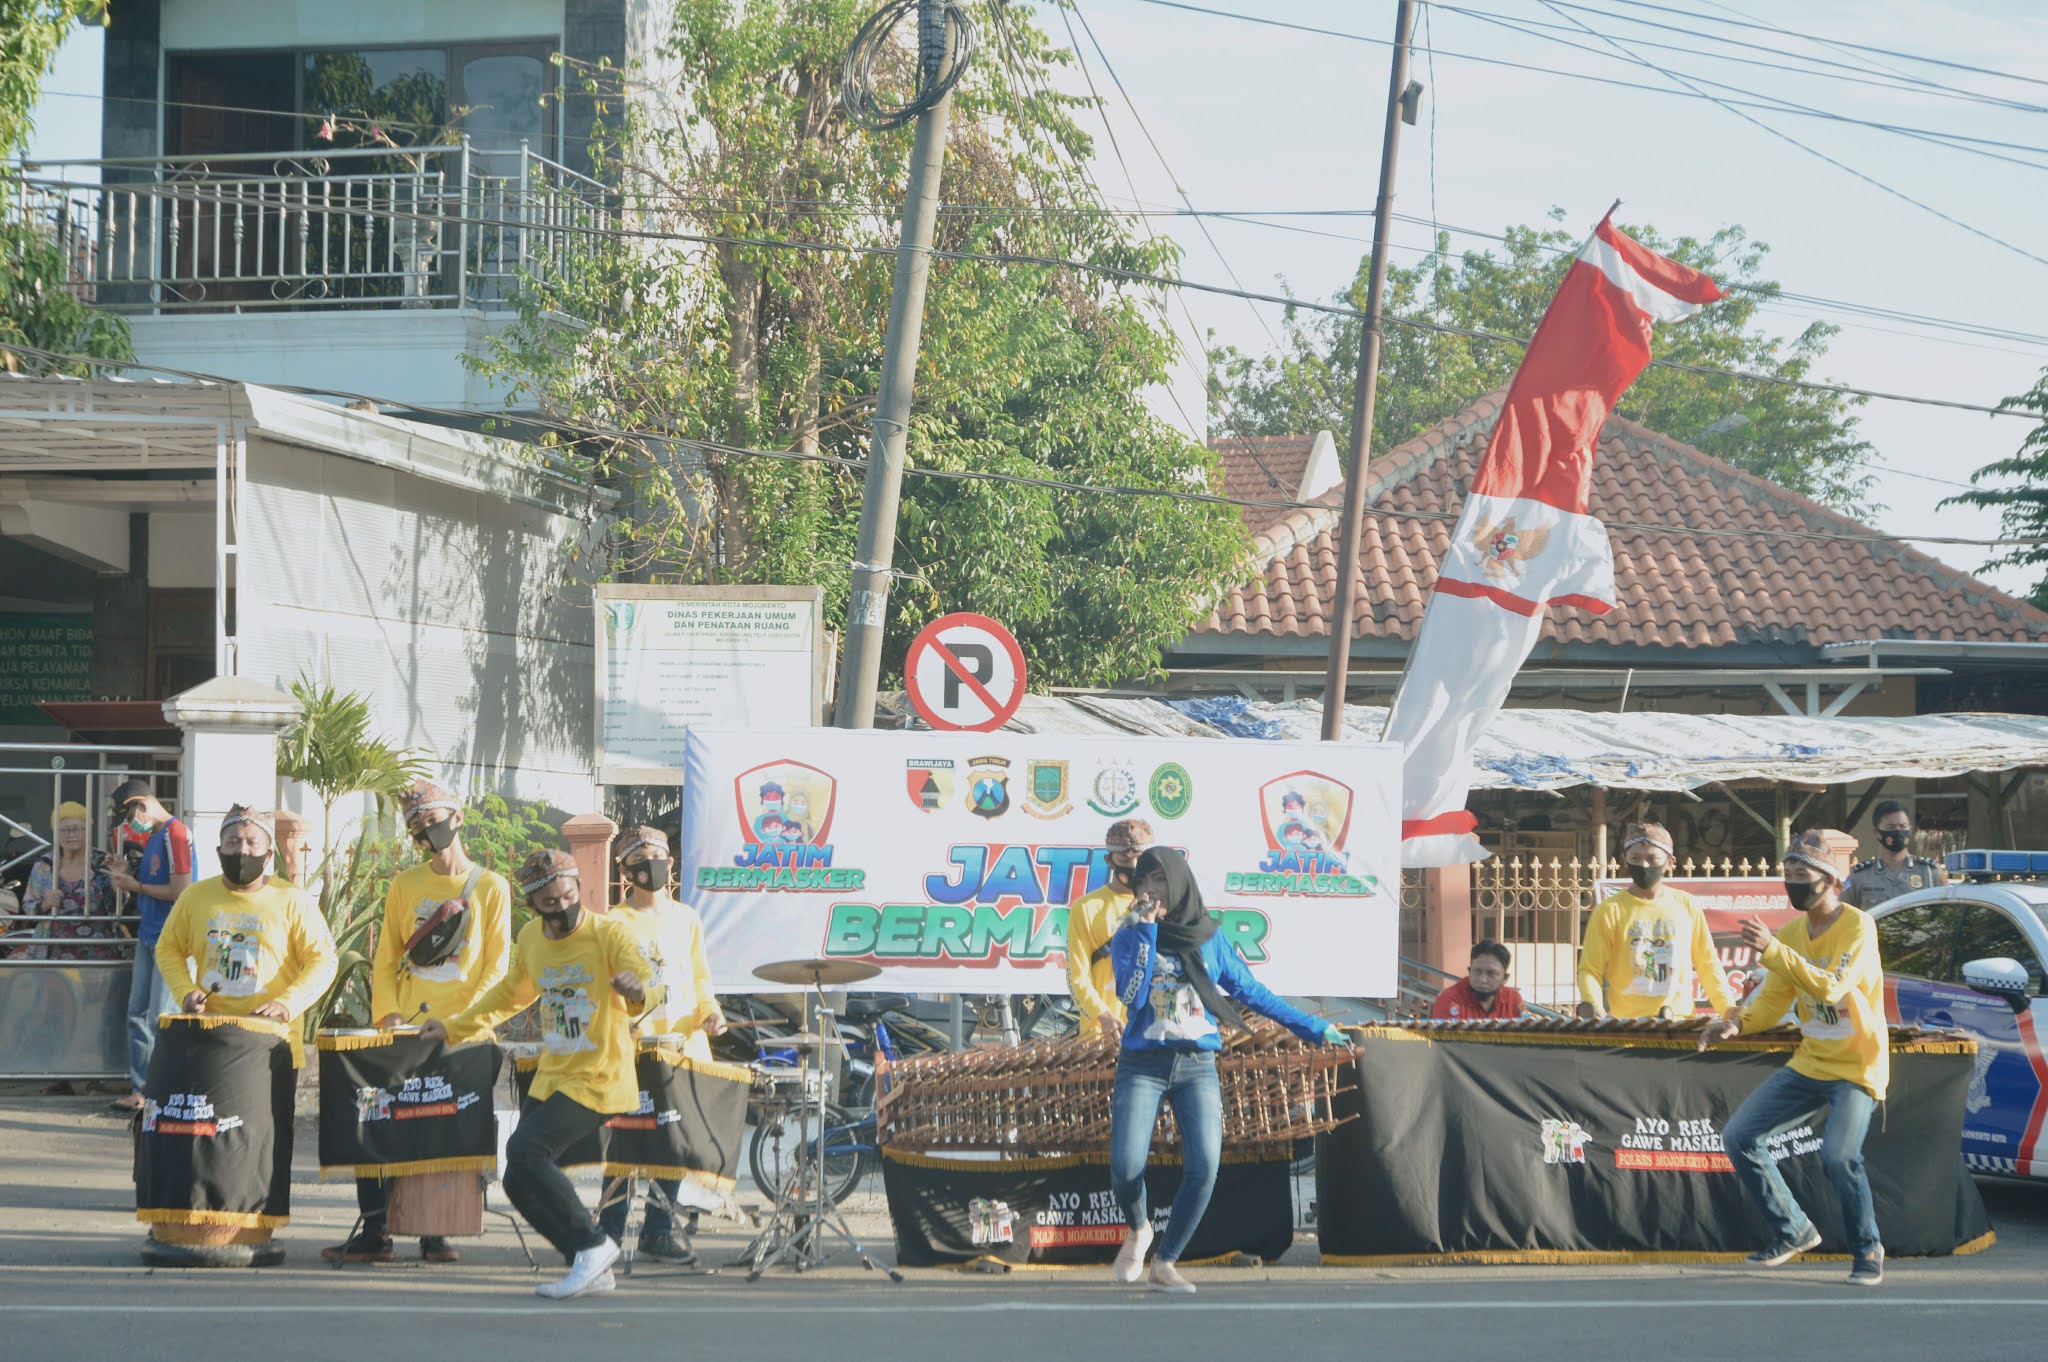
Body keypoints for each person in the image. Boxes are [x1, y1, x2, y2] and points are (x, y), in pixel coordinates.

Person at [1106, 846, 1353, 1296]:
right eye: (1144, 881)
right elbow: (1132, 998)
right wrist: (1144, 932)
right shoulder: (1128, 935)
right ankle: (1139, 1228)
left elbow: (1252, 992)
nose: (1150, 889)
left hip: (1196, 1065)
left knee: (1205, 1165)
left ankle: (1165, 1261)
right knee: (1125, 1166)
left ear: (1179, 884)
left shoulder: (1208, 937)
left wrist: (1313, 1026)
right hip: (1143, 1064)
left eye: (1160, 880)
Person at [420, 849, 657, 1300]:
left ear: (579, 888)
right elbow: (512, 994)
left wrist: (638, 989)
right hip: (554, 1074)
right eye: (550, 902)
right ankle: (586, 1260)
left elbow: (649, 979)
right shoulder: (532, 937)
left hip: (600, 1073)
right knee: (516, 1178)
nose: (563, 907)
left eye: (569, 896)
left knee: (526, 1150)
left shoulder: (609, 933)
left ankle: (593, 1245)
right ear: (533, 905)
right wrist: (454, 1027)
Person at [324, 780, 513, 1266]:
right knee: (376, 1120)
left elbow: (496, 969)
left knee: (443, 1129)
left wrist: (460, 1023)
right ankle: (375, 1231)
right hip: (405, 1028)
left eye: (433, 821)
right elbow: (387, 955)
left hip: (464, 1034)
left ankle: (436, 1230)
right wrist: (387, 1012)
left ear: (456, 817)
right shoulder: (405, 886)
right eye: (418, 828)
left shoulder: (491, 887)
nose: (428, 833)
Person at [1698, 829, 1888, 1286]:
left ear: (1830, 880)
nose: (1792, 883)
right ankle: (1793, 1229)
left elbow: (1832, 987)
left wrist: (1773, 950)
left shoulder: (1858, 926)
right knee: (1740, 1136)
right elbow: (1771, 1002)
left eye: (1801, 874)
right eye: (1787, 874)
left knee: (1839, 1158)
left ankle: (1868, 1247)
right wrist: (1737, 1024)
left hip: (1856, 1066)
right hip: (1810, 1062)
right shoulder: (1790, 935)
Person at [597, 825, 729, 1264]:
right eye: (638, 861)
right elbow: (604, 986)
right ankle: (607, 1233)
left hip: (682, 1046)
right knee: (625, 1141)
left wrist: (711, 1011)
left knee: (673, 1143)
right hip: (633, 1049)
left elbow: (700, 977)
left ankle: (657, 1230)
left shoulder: (687, 918)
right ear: (624, 870)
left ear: (671, 863)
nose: (649, 867)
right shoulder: (612, 922)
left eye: (657, 858)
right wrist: (620, 1021)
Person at [154, 805, 338, 1068]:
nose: (242, 851)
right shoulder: (194, 897)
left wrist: (287, 1004)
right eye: (233, 842)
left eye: (252, 843)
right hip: (211, 1040)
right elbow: (167, 949)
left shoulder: (293, 900)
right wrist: (185, 992)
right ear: (219, 851)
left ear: (268, 855)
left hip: (273, 1044)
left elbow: (325, 961)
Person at [1577, 822, 1739, 1024]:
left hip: (1679, 1023)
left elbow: (1707, 964)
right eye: (1636, 858)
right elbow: (1590, 970)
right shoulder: (1609, 910)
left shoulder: (1686, 905)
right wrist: (1595, 1008)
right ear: (1624, 860)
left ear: (1670, 862)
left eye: (1652, 858)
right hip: (1628, 1027)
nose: (1644, 865)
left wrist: (1728, 1009)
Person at [104, 780, 192, 1113]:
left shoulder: (176, 833)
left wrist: (136, 885)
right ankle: (143, 1091)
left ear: (142, 804)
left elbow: (181, 890)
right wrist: (127, 874)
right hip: (149, 934)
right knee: (138, 1015)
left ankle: (164, 1093)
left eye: (129, 816)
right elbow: (156, 883)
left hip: (171, 940)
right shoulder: (156, 836)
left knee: (161, 1019)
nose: (130, 825)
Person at [1065, 819, 1154, 1041]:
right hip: (1102, 1037)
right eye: (1124, 859)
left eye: (1140, 858)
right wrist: (1102, 1016)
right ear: (1109, 860)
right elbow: (1077, 977)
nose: (1133, 866)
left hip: (1150, 1035)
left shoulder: (1160, 905)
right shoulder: (1086, 908)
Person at [1841, 800, 1947, 911]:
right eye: (1891, 827)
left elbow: (1947, 909)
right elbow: (1844, 912)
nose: (1898, 831)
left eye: (1903, 826)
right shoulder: (1859, 875)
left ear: (1910, 830)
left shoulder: (1930, 871)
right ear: (1876, 832)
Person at [1430, 939, 1526, 1020]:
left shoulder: (1513, 999)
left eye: (1491, 974)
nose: (1482, 980)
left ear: (1505, 978)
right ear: (1469, 971)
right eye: (1477, 972)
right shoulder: (1450, 999)